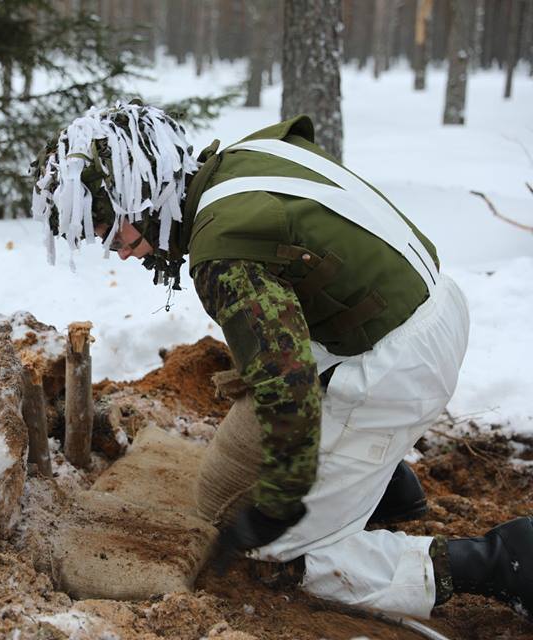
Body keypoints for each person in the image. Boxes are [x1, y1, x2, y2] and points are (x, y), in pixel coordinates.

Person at [31, 101, 532, 618]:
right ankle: (379, 482)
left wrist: (279, 504)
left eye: (113, 230)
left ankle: (501, 561)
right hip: (403, 311)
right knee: (220, 490)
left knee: (298, 557)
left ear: (146, 195)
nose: (118, 251)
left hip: (399, 359)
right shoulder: (242, 158)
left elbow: (285, 384)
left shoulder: (224, 254)